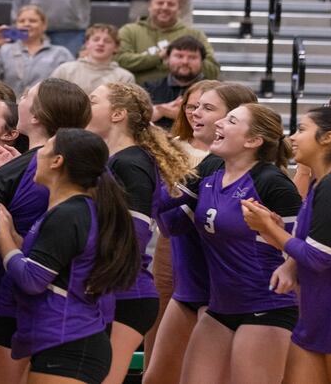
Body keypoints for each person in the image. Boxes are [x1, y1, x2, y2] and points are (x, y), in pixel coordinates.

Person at [0, 128, 141, 384]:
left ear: (57, 161)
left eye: (44, 148)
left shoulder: (70, 213)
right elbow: (52, 264)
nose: (36, 155)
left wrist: (3, 238)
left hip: (70, 343)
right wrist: (15, 238)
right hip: (65, 341)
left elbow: (32, 280)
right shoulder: (70, 209)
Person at [175, 103, 301, 384]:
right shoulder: (211, 170)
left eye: (231, 121)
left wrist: (287, 263)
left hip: (266, 306)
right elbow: (170, 218)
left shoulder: (272, 183)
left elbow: (303, 245)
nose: (219, 123)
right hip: (220, 306)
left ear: (253, 141)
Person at [242, 106, 331, 384]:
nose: (292, 137)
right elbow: (308, 246)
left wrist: (269, 228)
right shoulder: (323, 182)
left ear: (328, 138)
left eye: (301, 129)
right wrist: (280, 242)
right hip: (316, 311)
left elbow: (318, 257)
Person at [143, 81, 255, 384]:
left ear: (234, 119)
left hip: (222, 295)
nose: (195, 113)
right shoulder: (209, 165)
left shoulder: (245, 172)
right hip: (189, 287)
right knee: (155, 377)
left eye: (207, 108)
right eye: (193, 106)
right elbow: (170, 222)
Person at [85, 82, 193, 384]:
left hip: (125, 293)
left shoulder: (130, 163)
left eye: (93, 100)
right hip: (114, 288)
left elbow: (135, 234)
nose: (86, 107)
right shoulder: (118, 159)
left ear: (117, 114)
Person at [0, 78, 91, 384]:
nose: (19, 99)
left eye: (26, 96)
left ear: (36, 117)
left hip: (23, 297)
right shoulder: (33, 164)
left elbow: (29, 240)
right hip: (32, 297)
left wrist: (6, 236)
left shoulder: (39, 169)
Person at [116, 0, 219, 85]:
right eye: (160, 3)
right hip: (138, 92)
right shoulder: (129, 31)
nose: (165, 7)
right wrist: (158, 57)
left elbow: (213, 70)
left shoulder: (195, 34)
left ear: (179, 9)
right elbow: (119, 61)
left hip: (185, 93)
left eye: (171, 4)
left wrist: (184, 61)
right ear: (150, 6)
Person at [0, 5, 73, 94]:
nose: (26, 24)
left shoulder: (60, 53)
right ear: (16, 25)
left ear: (44, 25)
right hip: (10, 107)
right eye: (21, 21)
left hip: (46, 107)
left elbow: (70, 87)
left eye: (32, 21)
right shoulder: (4, 51)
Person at [143, 35, 207, 130]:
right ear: (167, 59)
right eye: (179, 56)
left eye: (192, 57)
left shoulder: (213, 91)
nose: (185, 62)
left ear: (202, 61)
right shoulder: (149, 88)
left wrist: (180, 115)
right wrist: (159, 111)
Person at [50, 23, 135, 93]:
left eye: (107, 41)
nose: (101, 44)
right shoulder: (65, 70)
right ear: (87, 43)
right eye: (96, 39)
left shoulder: (124, 78)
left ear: (116, 47)